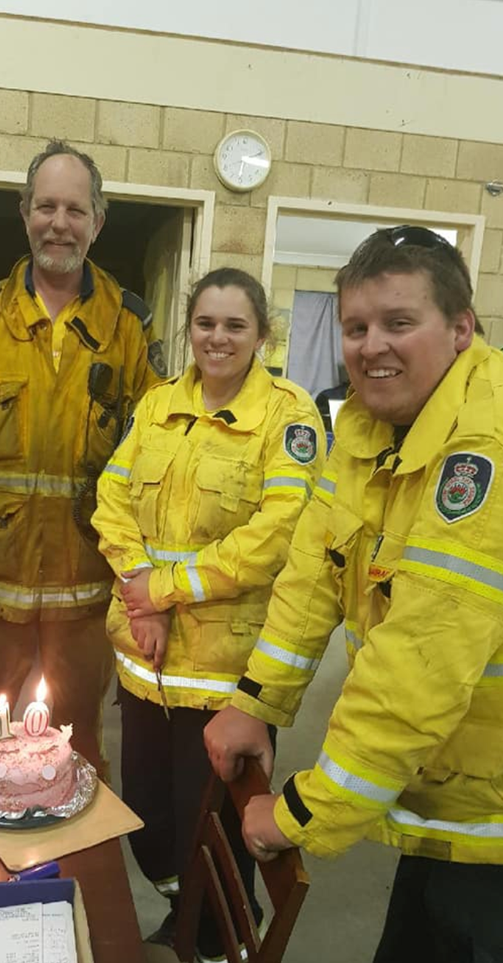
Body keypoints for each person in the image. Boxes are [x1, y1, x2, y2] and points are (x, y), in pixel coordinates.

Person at [204, 227, 503, 963]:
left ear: (461, 328)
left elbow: (416, 668)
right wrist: (254, 701)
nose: (373, 346)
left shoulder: (482, 455)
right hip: (450, 791)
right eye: (357, 327)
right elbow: (313, 575)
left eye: (400, 322)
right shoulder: (370, 428)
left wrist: (301, 812)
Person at [92, 267, 324, 960]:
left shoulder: (290, 415)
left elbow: (278, 532)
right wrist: (140, 587)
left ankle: (220, 937)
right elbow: (111, 497)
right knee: (147, 822)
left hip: (226, 684)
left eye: (235, 325)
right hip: (145, 663)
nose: (217, 337)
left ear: (262, 334)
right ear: (188, 327)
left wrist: (163, 589)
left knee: (215, 838)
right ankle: (183, 909)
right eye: (205, 322)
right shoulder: (159, 402)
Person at [0, 140, 164, 767]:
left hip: (86, 586)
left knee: (77, 741)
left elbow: (156, 458)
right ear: (26, 212)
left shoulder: (130, 329)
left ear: (97, 222)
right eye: (46, 207)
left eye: (75, 210)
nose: (60, 223)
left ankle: (77, 862)